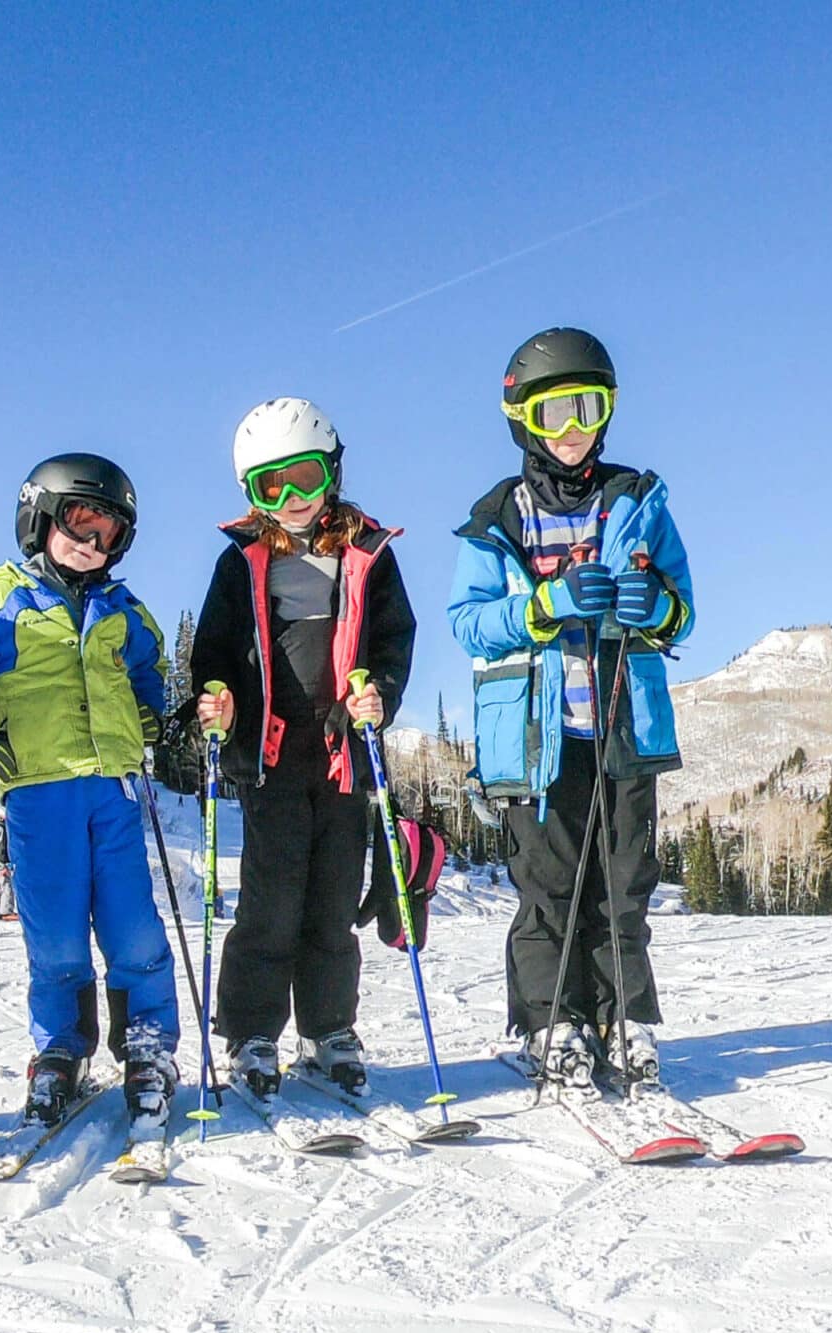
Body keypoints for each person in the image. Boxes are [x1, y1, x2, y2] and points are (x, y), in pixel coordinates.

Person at [446, 327, 694, 1087]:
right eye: (555, 413)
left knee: (625, 885)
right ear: (523, 419)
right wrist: (542, 606)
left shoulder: (637, 503)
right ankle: (553, 1021)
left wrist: (652, 603)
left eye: (588, 408)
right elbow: (468, 621)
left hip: (622, 727)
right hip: (535, 738)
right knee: (551, 887)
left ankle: (626, 1019)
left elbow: (682, 612)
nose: (574, 430)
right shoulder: (498, 521)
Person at [0, 454, 179, 1133]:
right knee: (56, 935)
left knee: (134, 927)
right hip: (36, 793)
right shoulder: (1, 599)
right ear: (39, 518)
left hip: (113, 792)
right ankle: (61, 1047)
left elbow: (150, 670)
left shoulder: (125, 610)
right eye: (78, 525)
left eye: (107, 534)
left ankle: (147, 1044)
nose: (91, 545)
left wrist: (150, 719)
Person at [188, 399, 417, 1098]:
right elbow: (215, 649)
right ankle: (253, 1033)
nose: (291, 499)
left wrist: (377, 693)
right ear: (251, 496)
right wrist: (216, 697)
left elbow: (392, 640)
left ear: (333, 471)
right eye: (270, 487)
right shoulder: (243, 562)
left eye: (304, 477)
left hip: (343, 754)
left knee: (332, 903)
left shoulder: (368, 554)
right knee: (271, 902)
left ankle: (327, 1029)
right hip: (274, 757)